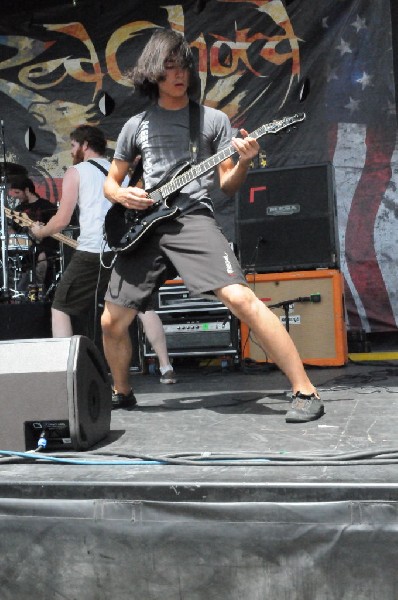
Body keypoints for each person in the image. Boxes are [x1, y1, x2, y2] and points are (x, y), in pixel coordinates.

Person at [100, 28, 324, 423]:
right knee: (112, 320)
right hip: (144, 224)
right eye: (169, 67)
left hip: (190, 218)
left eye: (183, 66)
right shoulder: (136, 125)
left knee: (240, 299)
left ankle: (305, 390)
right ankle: (122, 392)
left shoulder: (212, 120)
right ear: (153, 72)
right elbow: (110, 181)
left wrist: (245, 161)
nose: (178, 74)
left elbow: (227, 184)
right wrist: (121, 196)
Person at [30, 125, 177, 402]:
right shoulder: (117, 170)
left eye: (73, 146)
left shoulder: (77, 172)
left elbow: (61, 220)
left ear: (84, 145)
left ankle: (66, 376)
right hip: (125, 249)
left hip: (93, 251)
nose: (72, 152)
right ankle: (166, 367)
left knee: (61, 307)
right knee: (141, 307)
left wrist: (39, 232)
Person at [8, 176, 58, 293]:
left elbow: (56, 228)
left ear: (27, 190)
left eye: (17, 192)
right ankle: (16, 291)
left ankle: (37, 292)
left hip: (44, 245)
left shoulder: (47, 206)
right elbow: (11, 228)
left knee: (41, 255)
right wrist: (11, 231)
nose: (14, 196)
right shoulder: (18, 209)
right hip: (23, 247)